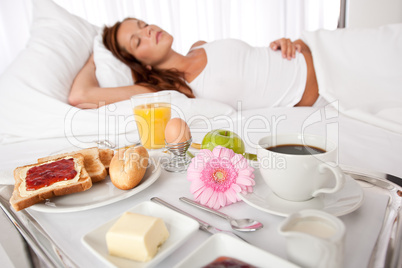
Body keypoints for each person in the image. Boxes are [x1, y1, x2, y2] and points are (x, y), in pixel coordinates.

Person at [68, 18, 319, 109]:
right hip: (324, 89)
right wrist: (94, 55)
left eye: (143, 25)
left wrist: (287, 42)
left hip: (317, 48)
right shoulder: (170, 89)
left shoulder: (199, 45)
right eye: (137, 40)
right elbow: (80, 95)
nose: (148, 31)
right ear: (140, 65)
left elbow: (256, 65)